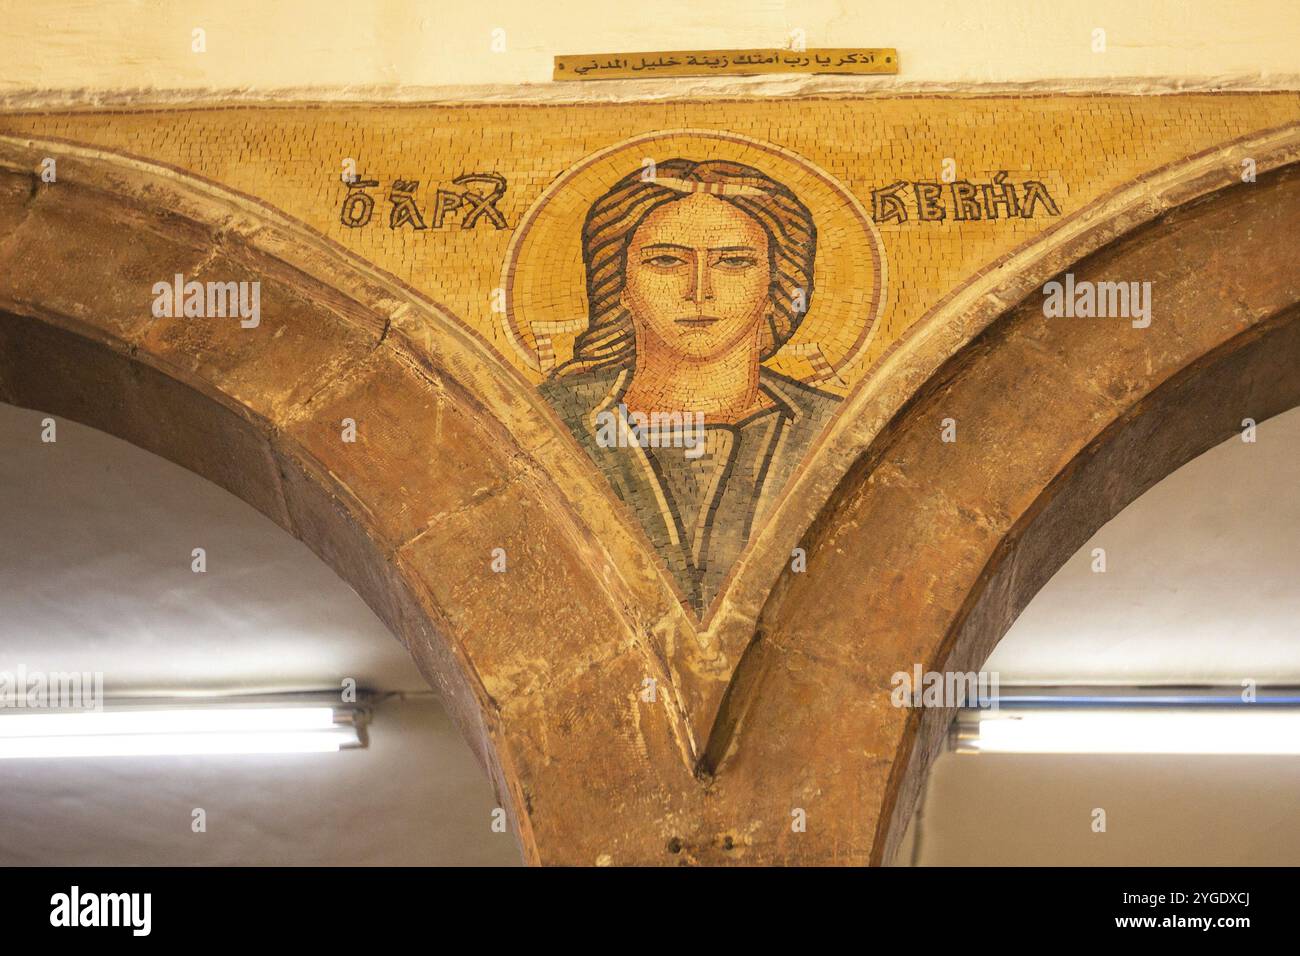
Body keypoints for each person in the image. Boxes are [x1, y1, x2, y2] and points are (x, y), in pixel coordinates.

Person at [541, 159, 839, 613]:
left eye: (734, 262)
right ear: (620, 283)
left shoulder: (833, 427)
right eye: (666, 260)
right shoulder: (549, 420)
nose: (699, 290)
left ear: (775, 282)